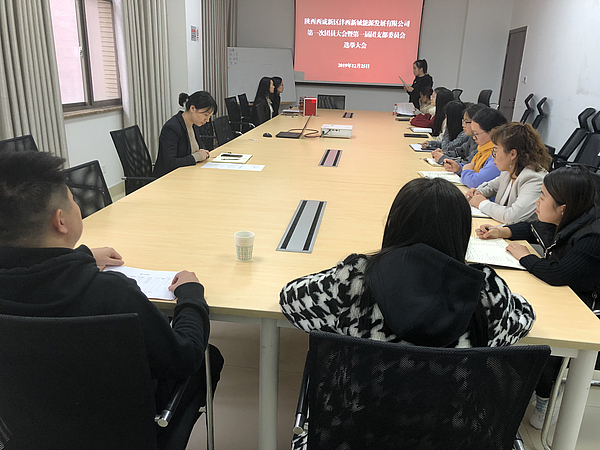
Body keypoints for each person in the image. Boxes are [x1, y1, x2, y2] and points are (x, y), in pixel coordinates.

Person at [280, 177, 535, 449]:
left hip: (354, 436)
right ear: (460, 233)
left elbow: (291, 299)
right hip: (453, 439)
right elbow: (524, 317)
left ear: (394, 224)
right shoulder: (486, 292)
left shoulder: (356, 279)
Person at [0, 151, 224, 450]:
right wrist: (191, 295)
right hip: (124, 431)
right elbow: (185, 357)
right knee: (209, 356)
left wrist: (80, 257)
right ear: (61, 221)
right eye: (73, 201)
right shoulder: (112, 294)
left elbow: (33, 275)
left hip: (27, 431)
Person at [476, 165, 600, 428]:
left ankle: (547, 394)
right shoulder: (571, 216)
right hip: (563, 292)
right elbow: (535, 227)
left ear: (563, 208)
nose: (537, 202)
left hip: (583, 306)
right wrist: (503, 231)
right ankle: (525, 380)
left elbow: (557, 273)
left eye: (543, 197)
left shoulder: (592, 236)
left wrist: (526, 256)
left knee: (541, 337)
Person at [467, 122, 551, 223]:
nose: (493, 156)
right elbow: (492, 186)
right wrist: (478, 192)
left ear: (512, 154)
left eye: (495, 151)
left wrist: (482, 203)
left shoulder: (534, 179)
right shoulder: (509, 170)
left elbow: (513, 216)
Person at [153, 91, 217, 178]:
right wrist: (196, 157)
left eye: (209, 116)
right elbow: (170, 163)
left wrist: (204, 153)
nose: (207, 120)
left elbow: (200, 149)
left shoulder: (194, 125)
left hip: (189, 173)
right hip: (169, 178)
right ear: (192, 108)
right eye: (205, 115)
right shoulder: (172, 128)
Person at [443, 107, 507, 188]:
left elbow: (475, 182)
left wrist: (466, 170)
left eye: (476, 134)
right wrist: (459, 168)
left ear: (493, 132)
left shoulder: (497, 154)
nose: (473, 137)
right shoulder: (482, 150)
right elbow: (473, 168)